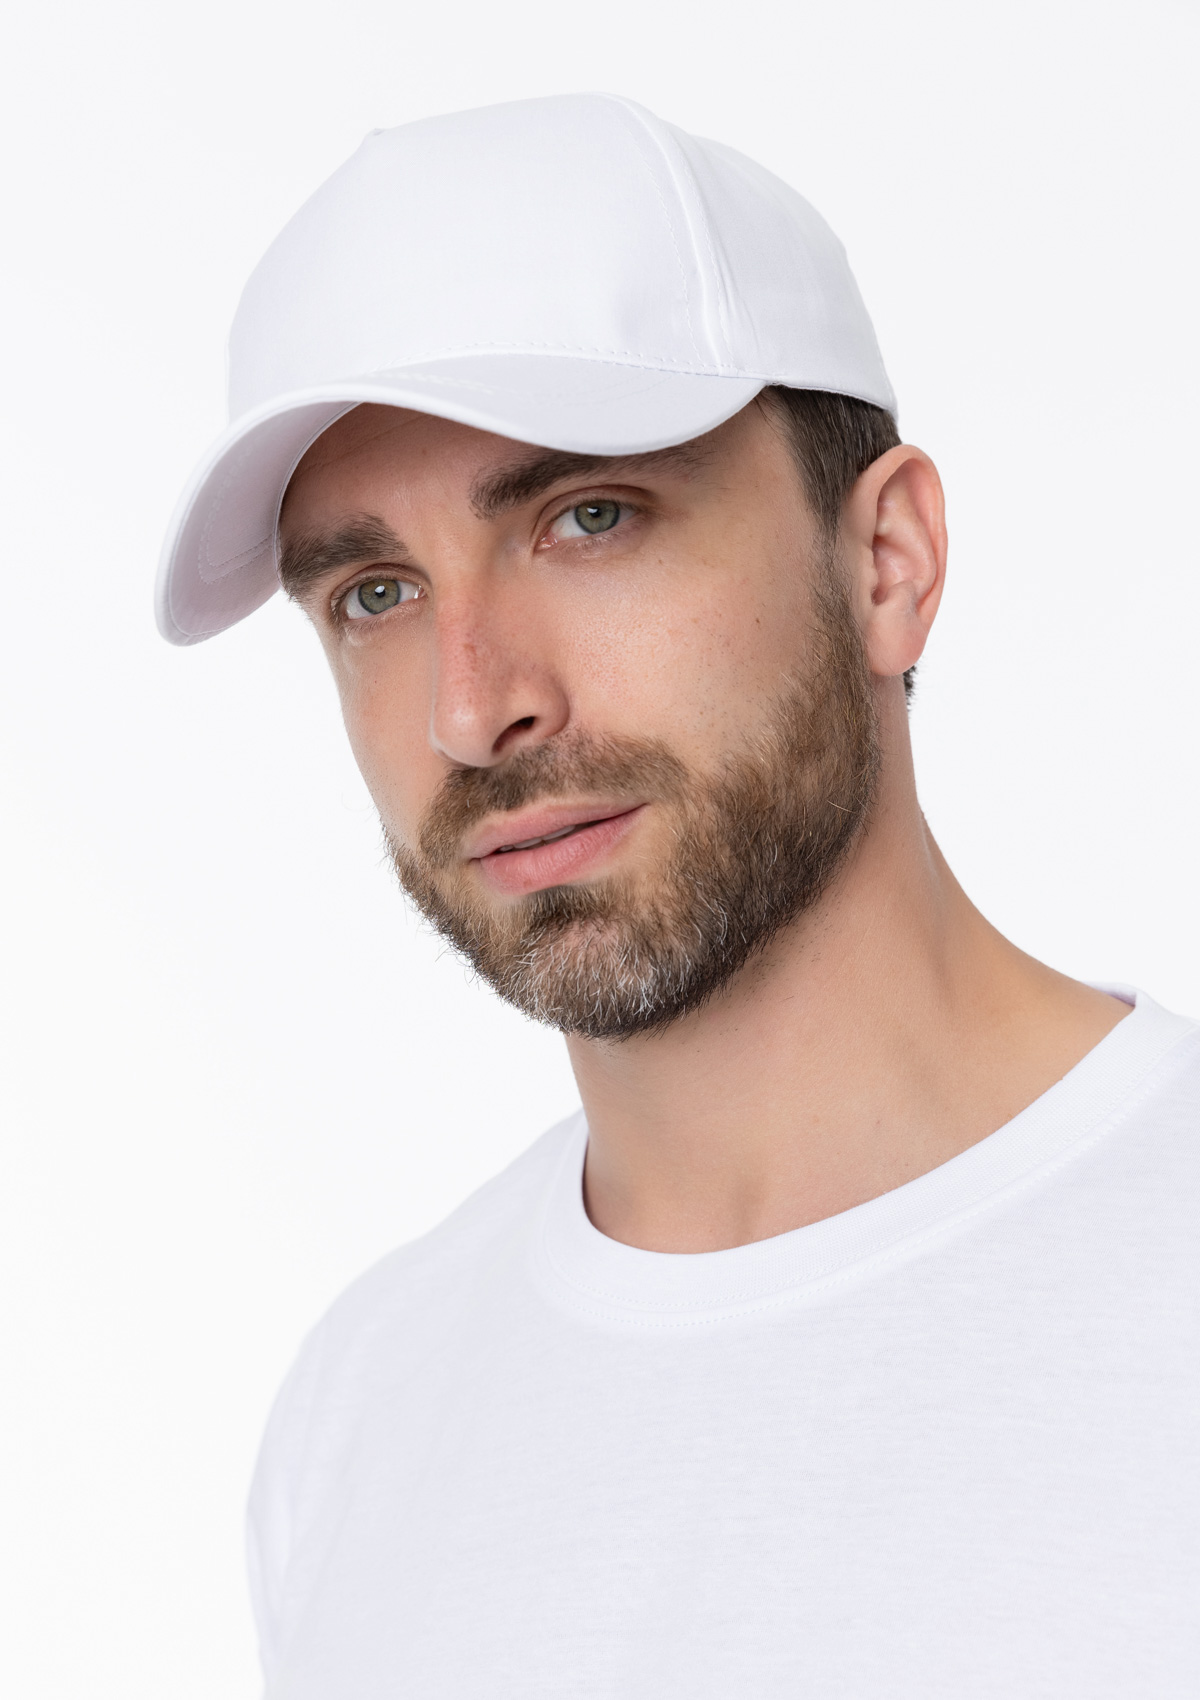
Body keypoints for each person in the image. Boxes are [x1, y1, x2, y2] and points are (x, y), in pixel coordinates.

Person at [158, 95, 1199, 1697]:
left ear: (887, 562)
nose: (472, 708)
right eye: (375, 592)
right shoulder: (367, 1415)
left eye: (588, 518)